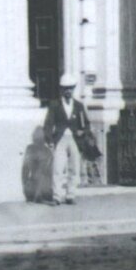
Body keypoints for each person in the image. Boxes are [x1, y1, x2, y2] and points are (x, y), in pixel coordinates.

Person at [41, 72, 95, 206]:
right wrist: (49, 140)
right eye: (65, 88)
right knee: (58, 168)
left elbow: (86, 124)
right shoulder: (55, 105)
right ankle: (57, 196)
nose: (68, 91)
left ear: (74, 88)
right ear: (61, 89)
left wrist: (83, 132)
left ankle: (70, 195)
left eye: (70, 88)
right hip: (60, 140)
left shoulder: (78, 106)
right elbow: (48, 124)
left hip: (75, 140)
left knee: (74, 168)